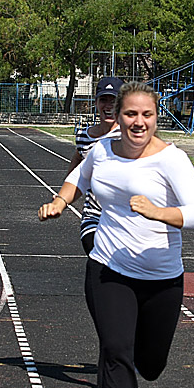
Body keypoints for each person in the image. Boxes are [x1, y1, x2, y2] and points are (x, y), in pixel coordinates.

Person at [38, 82, 194, 388]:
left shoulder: (171, 160)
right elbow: (78, 179)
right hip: (109, 268)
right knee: (115, 350)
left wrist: (158, 212)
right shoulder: (101, 150)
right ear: (118, 116)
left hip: (163, 278)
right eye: (130, 114)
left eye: (146, 114)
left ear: (155, 117)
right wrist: (59, 201)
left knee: (150, 365)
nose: (138, 122)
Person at [66, 76, 124, 254]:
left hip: (123, 218)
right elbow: (78, 158)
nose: (108, 106)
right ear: (96, 102)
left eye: (113, 101)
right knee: (96, 257)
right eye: (103, 100)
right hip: (94, 216)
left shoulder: (130, 137)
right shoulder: (85, 136)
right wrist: (64, 193)